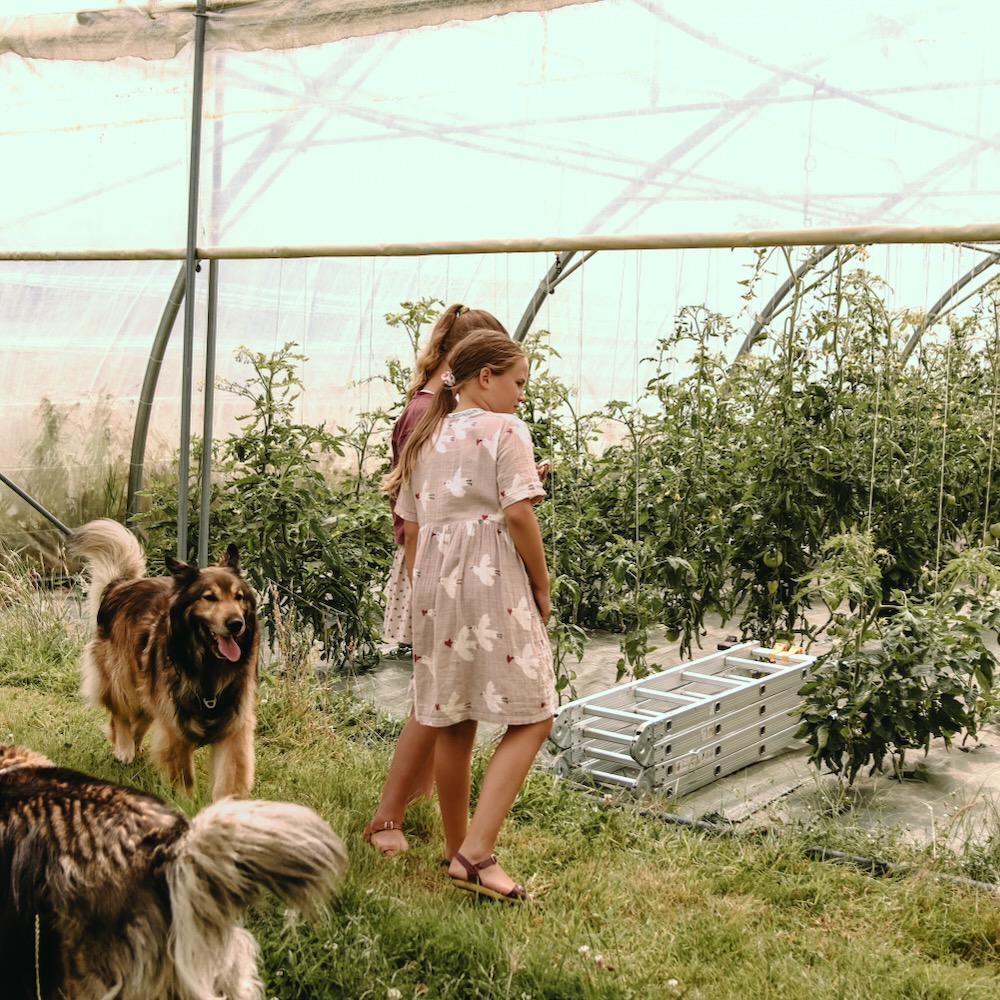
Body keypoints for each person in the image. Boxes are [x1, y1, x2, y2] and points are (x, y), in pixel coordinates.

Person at [385, 328, 556, 903]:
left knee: (455, 718)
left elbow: (409, 527)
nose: (522, 395)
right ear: (486, 377)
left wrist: (419, 591)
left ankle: (457, 847)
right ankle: (477, 853)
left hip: (433, 585)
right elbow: (519, 516)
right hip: (491, 584)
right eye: (518, 382)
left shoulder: (426, 434)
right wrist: (541, 581)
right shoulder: (507, 429)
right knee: (535, 712)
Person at [364, 304, 509, 858]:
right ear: (468, 363)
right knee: (434, 698)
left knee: (437, 694)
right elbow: (423, 504)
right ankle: (387, 817)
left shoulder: (433, 404)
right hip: (427, 567)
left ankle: (418, 797)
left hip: (433, 566)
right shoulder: (430, 411)